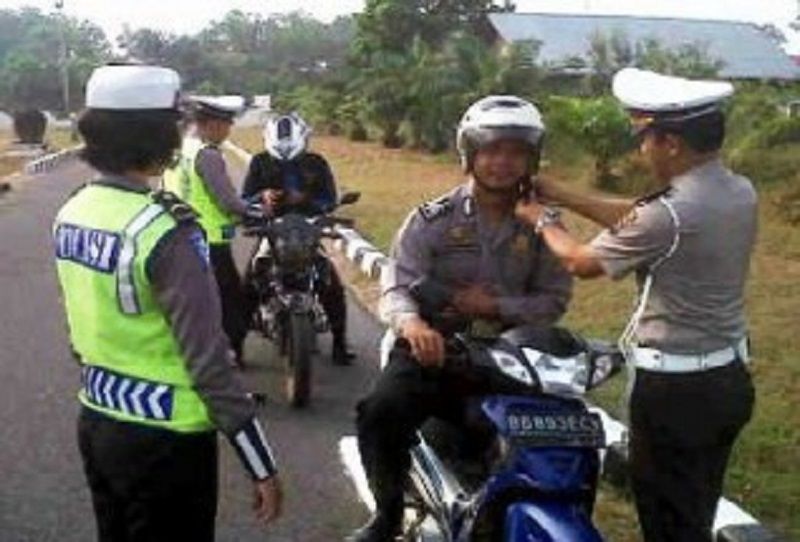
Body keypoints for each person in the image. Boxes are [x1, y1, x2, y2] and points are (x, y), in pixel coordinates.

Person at [515, 68, 756, 542]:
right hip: (728, 379)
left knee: (667, 521)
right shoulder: (737, 190)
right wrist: (562, 193)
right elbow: (638, 216)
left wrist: (542, 218)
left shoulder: (667, 214)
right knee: (695, 505)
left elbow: (582, 261)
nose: (640, 148)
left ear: (670, 143)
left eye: (644, 136)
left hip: (675, 392)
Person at [52, 64, 282, 542]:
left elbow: (80, 332)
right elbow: (209, 363)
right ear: (159, 135)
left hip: (97, 420)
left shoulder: (73, 211)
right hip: (167, 441)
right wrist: (259, 462)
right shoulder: (166, 231)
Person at [349, 96, 573, 541]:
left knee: (567, 427)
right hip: (438, 350)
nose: (502, 163)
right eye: (491, 150)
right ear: (469, 155)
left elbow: (554, 300)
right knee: (380, 411)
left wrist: (495, 308)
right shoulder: (431, 220)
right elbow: (397, 286)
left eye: (516, 152)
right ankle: (387, 515)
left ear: (532, 159)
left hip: (511, 356)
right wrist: (413, 326)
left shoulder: (544, 226)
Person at [241, 113, 354, 365]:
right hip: (272, 230)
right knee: (250, 280)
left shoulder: (317, 163)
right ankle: (236, 346)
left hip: (307, 229)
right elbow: (245, 198)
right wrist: (263, 197)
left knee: (331, 282)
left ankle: (340, 343)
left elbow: (329, 199)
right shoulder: (260, 163)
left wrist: (306, 200)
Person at [162, 95, 254, 365]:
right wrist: (251, 210)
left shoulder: (178, 149)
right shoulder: (207, 155)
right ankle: (232, 361)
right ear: (210, 125)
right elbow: (227, 200)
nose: (228, 131)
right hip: (210, 242)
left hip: (179, 238)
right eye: (226, 125)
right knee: (233, 305)